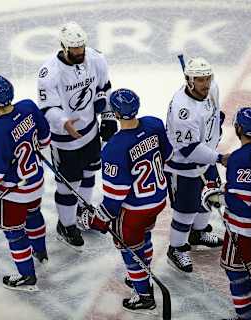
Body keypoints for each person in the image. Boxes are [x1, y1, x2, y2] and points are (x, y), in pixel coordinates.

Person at [81, 88, 172, 312]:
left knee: (129, 248)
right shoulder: (154, 124)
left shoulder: (114, 148)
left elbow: (114, 198)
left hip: (134, 210)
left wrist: (96, 219)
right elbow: (167, 155)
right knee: (144, 236)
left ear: (117, 114)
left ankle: (144, 296)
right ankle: (142, 275)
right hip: (158, 200)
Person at [37, 21, 117, 250]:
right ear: (64, 47)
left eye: (81, 46)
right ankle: (66, 224)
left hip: (90, 130)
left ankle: (83, 208)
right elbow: (47, 108)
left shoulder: (96, 58)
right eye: (74, 48)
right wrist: (64, 123)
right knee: (68, 183)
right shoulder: (49, 72)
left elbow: (105, 87)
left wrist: (108, 116)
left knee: (90, 171)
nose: (79, 51)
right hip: (64, 138)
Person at [0, 75, 50, 291]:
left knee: (14, 233)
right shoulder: (28, 107)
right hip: (36, 182)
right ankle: (40, 251)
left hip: (13, 193)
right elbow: (44, 141)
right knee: (34, 214)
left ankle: (27, 276)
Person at [202, 107, 251, 320]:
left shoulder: (239, 160)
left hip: (243, 227)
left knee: (235, 270)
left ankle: (245, 316)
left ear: (238, 128)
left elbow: (241, 201)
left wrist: (216, 195)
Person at [164, 56, 229, 273]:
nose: (206, 83)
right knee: (185, 210)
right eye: (200, 80)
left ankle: (198, 232)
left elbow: (216, 112)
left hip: (207, 157)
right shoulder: (184, 111)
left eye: (208, 78)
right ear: (189, 80)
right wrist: (219, 158)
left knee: (210, 198)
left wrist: (217, 125)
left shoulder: (212, 88)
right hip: (184, 166)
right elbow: (188, 150)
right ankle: (177, 248)